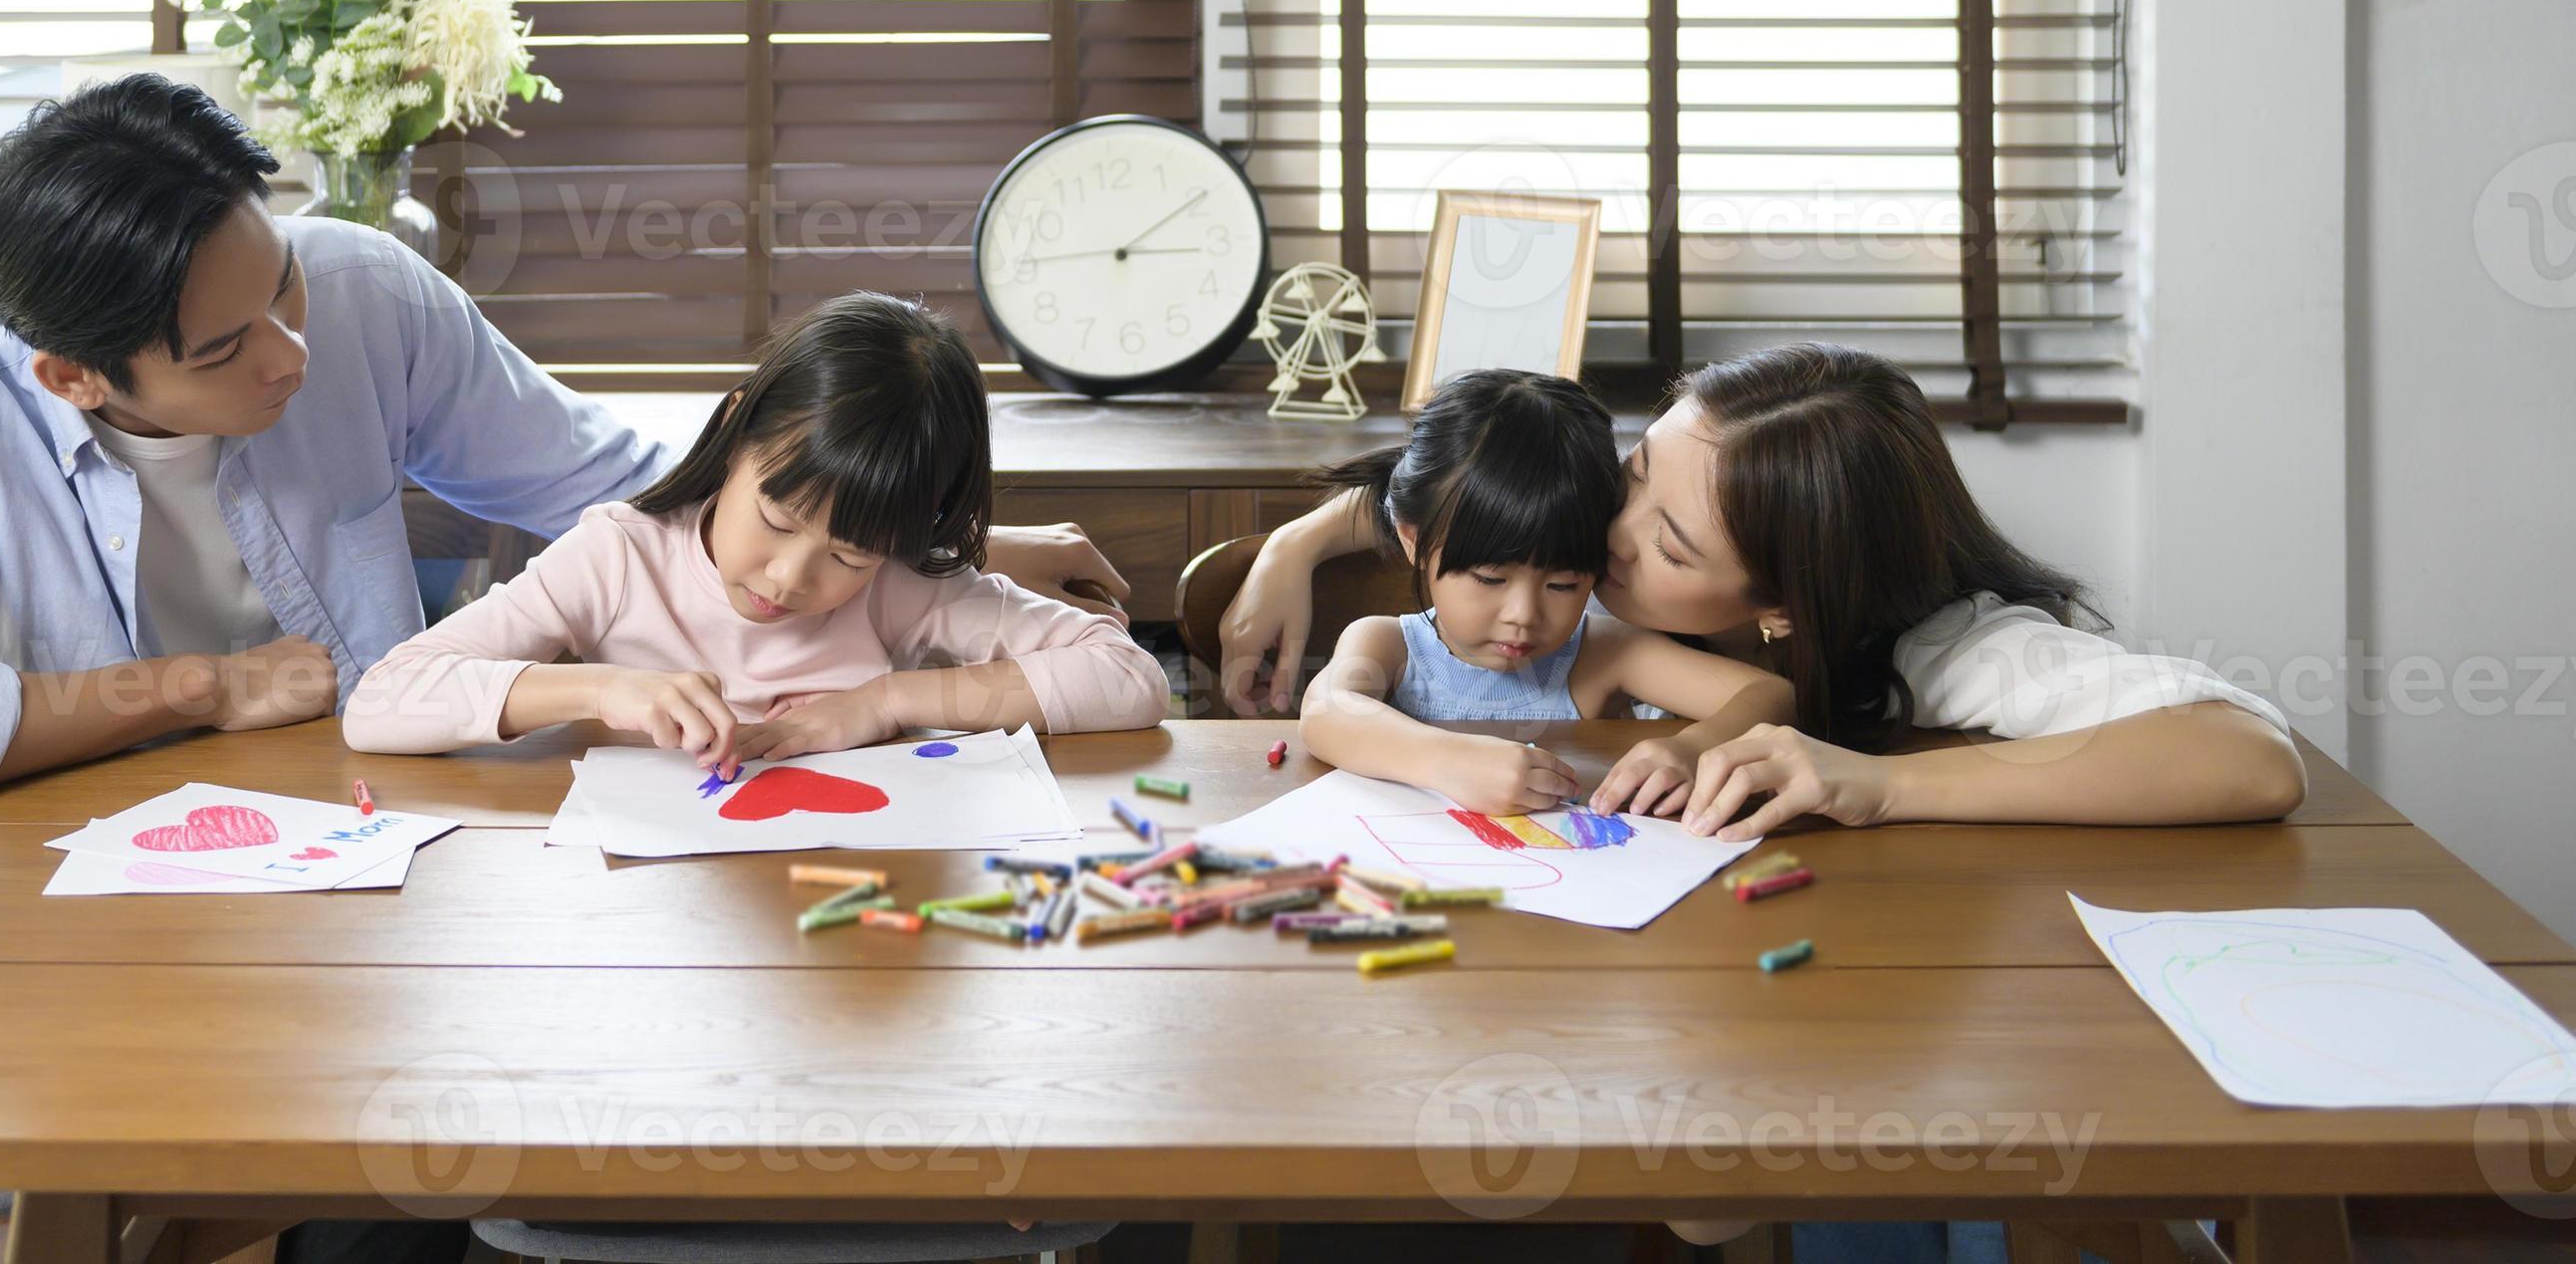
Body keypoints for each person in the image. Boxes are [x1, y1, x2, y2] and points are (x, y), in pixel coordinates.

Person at [0, 74, 1131, 829]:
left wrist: (922, 545)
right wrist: (201, 687)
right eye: (226, 350)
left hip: (368, 819)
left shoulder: (361, 291)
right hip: (86, 842)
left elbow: (617, 488)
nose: (293, 356)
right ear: (73, 375)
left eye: (282, 289)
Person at [1223, 343, 2305, 833]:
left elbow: (2248, 759)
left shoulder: (1949, 644)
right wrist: (1301, 543)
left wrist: (1890, 786)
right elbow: (1468, 498)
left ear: (1782, 604)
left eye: (1673, 546)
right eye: (1636, 476)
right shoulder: (1585, 559)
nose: (1604, 536)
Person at [345, 292, 1168, 759]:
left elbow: (1130, 679)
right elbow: (380, 703)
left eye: (848, 555)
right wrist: (605, 689)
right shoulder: (619, 556)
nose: (788, 579)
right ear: (737, 429)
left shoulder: (902, 588)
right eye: (776, 518)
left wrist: (882, 703)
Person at [1291, 370, 1790, 814]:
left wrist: (1690, 747)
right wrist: (1447, 759)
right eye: (1490, 579)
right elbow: (1325, 712)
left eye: (1563, 584)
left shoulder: (1604, 652)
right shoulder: (1390, 646)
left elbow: (1770, 694)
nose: (1523, 615)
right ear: (1412, 540)